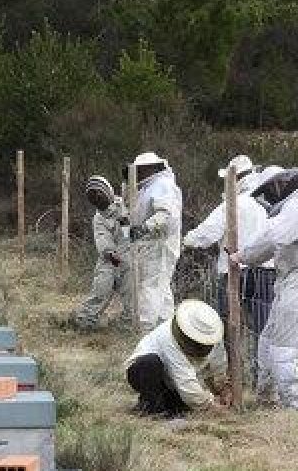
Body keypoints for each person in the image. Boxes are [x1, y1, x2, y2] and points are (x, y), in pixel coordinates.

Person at [229, 167, 298, 411]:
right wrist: (244, 257)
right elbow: (269, 245)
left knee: (284, 349)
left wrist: (242, 255)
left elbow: (271, 238)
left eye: (271, 188)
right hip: (291, 281)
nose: (269, 195)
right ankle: (267, 401)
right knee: (268, 340)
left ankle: (292, 410)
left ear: (281, 185)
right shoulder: (293, 210)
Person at [182, 155, 275, 335]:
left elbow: (207, 234)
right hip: (266, 271)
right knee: (264, 327)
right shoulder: (268, 204)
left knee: (227, 324)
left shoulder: (233, 203)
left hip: (235, 271)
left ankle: (232, 359)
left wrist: (187, 240)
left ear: (235, 178)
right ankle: (261, 362)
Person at [125, 299, 229, 418]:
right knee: (150, 363)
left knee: (185, 405)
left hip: (173, 382)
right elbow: (185, 380)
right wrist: (210, 405)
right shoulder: (167, 338)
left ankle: (167, 406)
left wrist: (222, 389)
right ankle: (153, 408)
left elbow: (218, 364)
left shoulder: (212, 334)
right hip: (141, 373)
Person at [126, 151, 183, 330]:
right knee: (161, 290)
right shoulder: (149, 187)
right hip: (152, 244)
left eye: (142, 169)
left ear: (151, 168)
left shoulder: (162, 185)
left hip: (160, 245)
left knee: (151, 288)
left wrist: (144, 228)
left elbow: (165, 214)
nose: (140, 173)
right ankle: (167, 329)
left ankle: (145, 329)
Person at [73, 176, 133, 329]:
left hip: (130, 256)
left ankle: (129, 324)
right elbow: (102, 239)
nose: (98, 200)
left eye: (100, 195)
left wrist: (126, 220)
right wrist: (111, 256)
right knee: (101, 289)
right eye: (94, 198)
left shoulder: (126, 204)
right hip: (109, 259)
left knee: (130, 294)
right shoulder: (99, 218)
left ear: (109, 192)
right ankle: (85, 321)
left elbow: (132, 231)